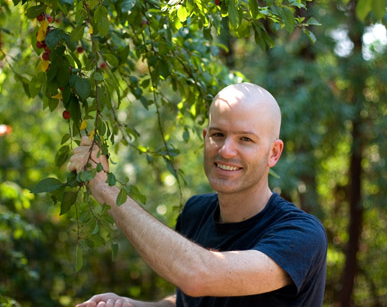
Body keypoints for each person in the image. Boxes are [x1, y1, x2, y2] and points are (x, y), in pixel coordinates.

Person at [70, 83, 327, 307]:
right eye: (218, 134)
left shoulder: (300, 234)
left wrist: (106, 188)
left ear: (273, 153)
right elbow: (190, 300)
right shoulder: (196, 212)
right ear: (205, 138)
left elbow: (199, 276)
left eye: (245, 139)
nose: (226, 150)